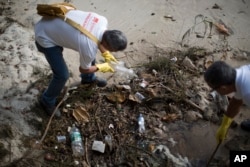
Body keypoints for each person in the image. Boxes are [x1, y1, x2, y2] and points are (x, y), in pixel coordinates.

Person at [34, 9, 127, 117]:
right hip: (44, 36)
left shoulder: (102, 21)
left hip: (51, 22)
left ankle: (88, 80)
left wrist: (105, 53)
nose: (110, 52)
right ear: (106, 43)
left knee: (89, 55)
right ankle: (47, 100)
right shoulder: (88, 46)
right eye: (111, 50)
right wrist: (100, 67)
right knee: (62, 75)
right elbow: (83, 69)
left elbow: (96, 38)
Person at [204, 61, 250, 143]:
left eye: (214, 89)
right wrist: (224, 125)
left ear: (223, 88)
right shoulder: (242, 74)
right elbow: (236, 102)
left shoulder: (247, 93)